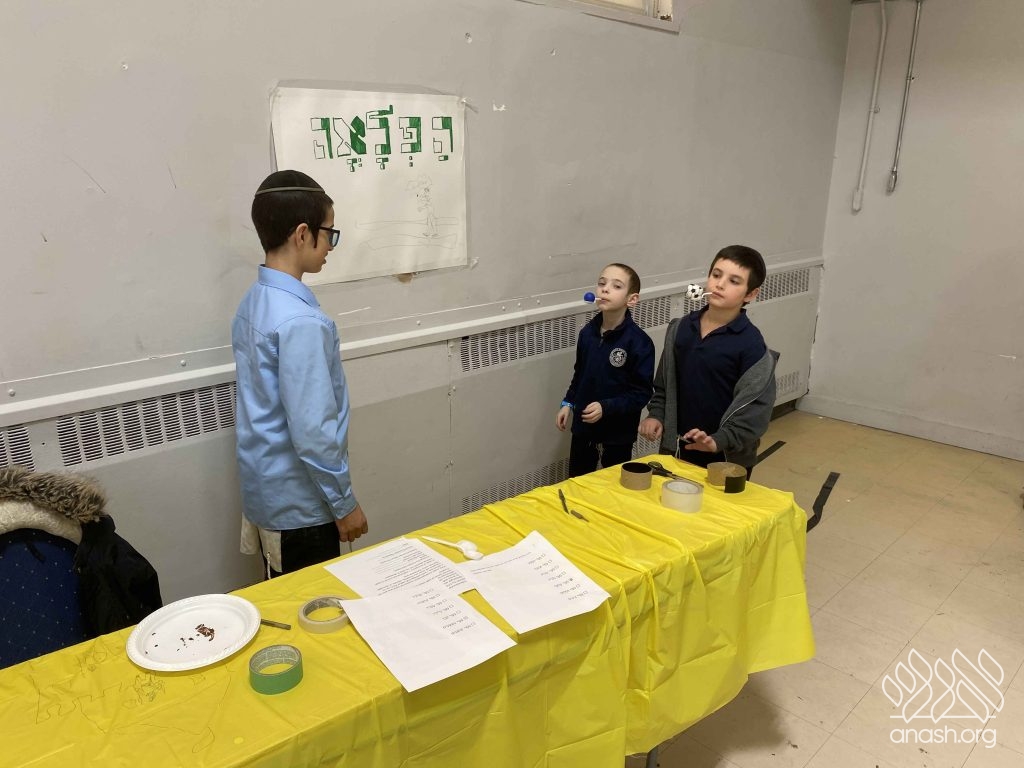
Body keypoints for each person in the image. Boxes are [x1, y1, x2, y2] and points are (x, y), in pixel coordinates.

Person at [232, 169, 368, 578]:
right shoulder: (301, 322)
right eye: (329, 234)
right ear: (303, 234)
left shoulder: (254, 301)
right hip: (300, 511)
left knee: (281, 594)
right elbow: (313, 432)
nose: (330, 247)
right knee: (310, 607)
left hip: (266, 496)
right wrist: (344, 504)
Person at [639, 245, 776, 477]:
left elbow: (756, 410)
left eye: (734, 281)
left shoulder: (752, 346)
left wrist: (718, 440)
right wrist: (657, 415)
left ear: (750, 294)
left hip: (726, 458)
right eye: (716, 275)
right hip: (678, 450)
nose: (720, 284)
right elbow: (664, 384)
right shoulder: (680, 329)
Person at [557, 263, 655, 477]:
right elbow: (579, 375)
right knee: (578, 483)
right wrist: (568, 403)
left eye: (616, 286)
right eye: (602, 283)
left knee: (612, 487)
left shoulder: (640, 343)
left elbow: (641, 393)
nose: (605, 289)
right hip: (583, 431)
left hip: (617, 436)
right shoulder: (587, 334)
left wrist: (606, 407)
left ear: (632, 299)